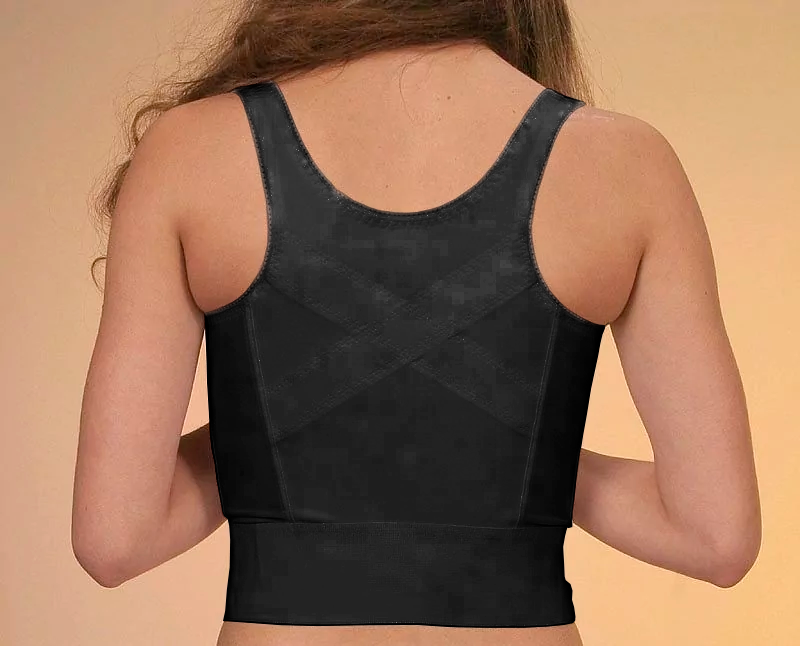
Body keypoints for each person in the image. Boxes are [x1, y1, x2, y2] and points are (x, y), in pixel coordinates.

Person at [71, 2, 762, 645]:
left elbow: (116, 539)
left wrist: (281, 431)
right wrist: (519, 454)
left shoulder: (192, 149)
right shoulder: (625, 162)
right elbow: (713, 538)